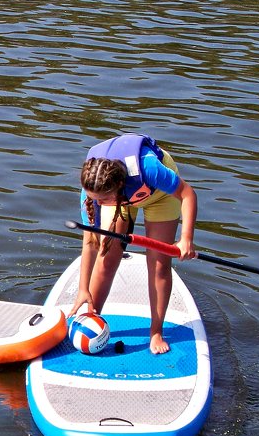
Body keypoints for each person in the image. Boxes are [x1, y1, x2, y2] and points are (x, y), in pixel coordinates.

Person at [71, 133, 198, 355]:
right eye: (94, 199)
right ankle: (92, 317)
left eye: (101, 200)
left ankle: (156, 332)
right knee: (107, 257)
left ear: (119, 185)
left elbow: (187, 195)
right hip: (120, 198)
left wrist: (186, 238)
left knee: (159, 264)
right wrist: (83, 288)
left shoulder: (149, 169)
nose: (96, 204)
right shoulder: (93, 185)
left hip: (160, 196)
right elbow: (89, 242)